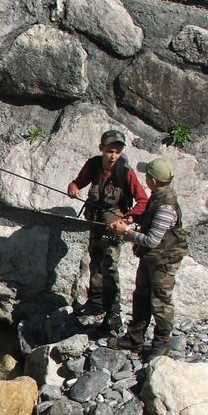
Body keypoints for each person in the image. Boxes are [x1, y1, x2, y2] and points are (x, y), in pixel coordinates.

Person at [67, 129, 148, 335]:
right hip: (95, 222)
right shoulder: (93, 165)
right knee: (95, 260)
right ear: (101, 148)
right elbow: (77, 183)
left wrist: (129, 217)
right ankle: (95, 302)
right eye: (110, 151)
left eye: (118, 151)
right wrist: (73, 187)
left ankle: (113, 312)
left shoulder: (125, 172)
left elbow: (143, 201)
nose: (113, 156)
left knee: (110, 266)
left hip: (115, 227)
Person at [107, 157, 188, 359]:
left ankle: (161, 343)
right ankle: (135, 338)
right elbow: (150, 221)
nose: (145, 178)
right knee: (141, 296)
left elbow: (151, 240)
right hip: (152, 258)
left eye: (147, 175)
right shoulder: (157, 196)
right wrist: (134, 218)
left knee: (160, 300)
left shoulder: (166, 206)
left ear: (152, 179)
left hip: (164, 261)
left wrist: (126, 231)